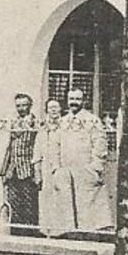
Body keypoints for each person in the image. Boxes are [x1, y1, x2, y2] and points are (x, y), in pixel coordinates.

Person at [41, 88, 112, 235]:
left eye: (77, 99)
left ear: (84, 101)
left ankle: (87, 238)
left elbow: (100, 146)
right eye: (71, 99)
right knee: (66, 213)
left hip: (86, 173)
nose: (74, 102)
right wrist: (56, 168)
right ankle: (69, 236)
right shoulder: (62, 122)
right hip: (65, 173)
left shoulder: (93, 121)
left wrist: (94, 168)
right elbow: (54, 146)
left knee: (87, 214)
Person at [0, 93, 42, 237]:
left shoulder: (35, 123)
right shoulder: (14, 123)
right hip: (13, 170)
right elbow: (9, 148)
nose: (21, 108)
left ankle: (30, 236)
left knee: (29, 206)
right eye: (18, 105)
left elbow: (38, 148)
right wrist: (4, 170)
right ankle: (16, 235)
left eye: (24, 105)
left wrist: (37, 171)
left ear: (30, 106)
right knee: (13, 205)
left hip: (27, 170)